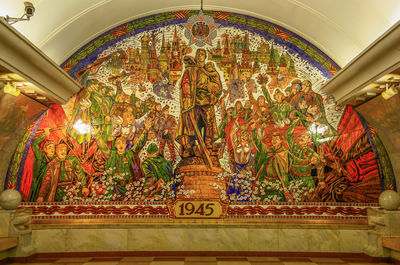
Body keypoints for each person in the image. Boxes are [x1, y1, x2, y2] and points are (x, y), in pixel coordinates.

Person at [175, 49, 222, 162]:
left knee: (208, 125)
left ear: (205, 57)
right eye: (198, 54)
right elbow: (185, 83)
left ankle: (208, 145)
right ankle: (191, 147)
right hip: (194, 103)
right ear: (196, 56)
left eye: (202, 55)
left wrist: (209, 86)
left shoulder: (209, 70)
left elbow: (217, 86)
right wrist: (187, 95)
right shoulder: (191, 69)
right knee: (192, 126)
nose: (200, 56)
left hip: (207, 102)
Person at [29, 128, 56, 201]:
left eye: (53, 147)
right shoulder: (41, 156)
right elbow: (34, 144)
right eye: (49, 147)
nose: (52, 149)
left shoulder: (55, 159)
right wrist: (45, 135)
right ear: (45, 150)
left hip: (51, 185)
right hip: (39, 183)